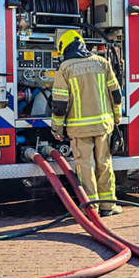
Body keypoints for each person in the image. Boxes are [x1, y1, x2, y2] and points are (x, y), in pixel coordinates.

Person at [50, 29, 123, 216]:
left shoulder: (65, 68)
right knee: (104, 164)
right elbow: (116, 94)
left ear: (65, 48)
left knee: (85, 167)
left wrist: (57, 128)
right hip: (103, 126)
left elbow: (60, 104)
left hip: (79, 129)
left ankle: (91, 209)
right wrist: (117, 118)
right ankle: (108, 206)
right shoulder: (102, 62)